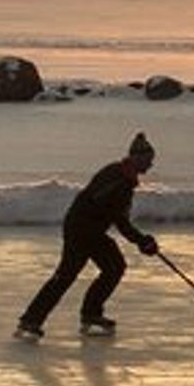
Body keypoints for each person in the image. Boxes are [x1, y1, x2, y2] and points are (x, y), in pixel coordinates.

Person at [17, 134, 157, 338]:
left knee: (112, 267)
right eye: (148, 160)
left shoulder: (124, 177)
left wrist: (141, 240)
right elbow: (114, 215)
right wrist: (141, 240)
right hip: (81, 230)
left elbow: (116, 216)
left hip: (90, 231)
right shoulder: (117, 177)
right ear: (136, 157)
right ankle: (33, 320)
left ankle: (88, 314)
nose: (150, 165)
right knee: (70, 274)